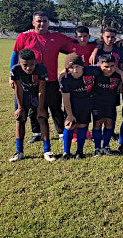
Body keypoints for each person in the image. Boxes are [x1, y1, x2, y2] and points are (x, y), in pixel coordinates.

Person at [10, 11, 74, 142]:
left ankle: (61, 133)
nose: (42, 24)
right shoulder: (24, 36)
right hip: (29, 80)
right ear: (33, 23)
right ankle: (36, 133)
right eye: (38, 21)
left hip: (50, 79)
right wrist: (11, 76)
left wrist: (94, 41)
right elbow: (15, 56)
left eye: (44, 21)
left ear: (48, 23)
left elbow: (77, 43)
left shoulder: (57, 37)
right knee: (33, 107)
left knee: (55, 106)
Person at [9, 49, 56, 162]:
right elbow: (18, 89)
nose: (28, 68)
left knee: (42, 118)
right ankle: (19, 151)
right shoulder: (15, 69)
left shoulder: (41, 69)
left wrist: (40, 108)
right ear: (20, 63)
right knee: (20, 119)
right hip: (23, 95)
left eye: (31, 64)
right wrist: (20, 108)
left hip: (36, 94)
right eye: (25, 65)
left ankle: (47, 150)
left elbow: (41, 89)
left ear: (35, 61)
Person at [59, 53, 101, 160]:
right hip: (72, 105)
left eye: (77, 66)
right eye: (71, 67)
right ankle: (66, 152)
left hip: (86, 103)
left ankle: (79, 151)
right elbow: (66, 99)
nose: (74, 69)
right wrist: (69, 115)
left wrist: (120, 72)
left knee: (82, 126)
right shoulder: (65, 79)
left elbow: (104, 67)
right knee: (69, 125)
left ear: (82, 66)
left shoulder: (90, 71)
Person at [91, 54, 123, 156]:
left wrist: (120, 72)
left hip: (111, 103)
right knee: (97, 125)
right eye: (106, 67)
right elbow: (77, 68)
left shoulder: (117, 74)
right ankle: (97, 148)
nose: (109, 69)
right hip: (97, 104)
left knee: (109, 124)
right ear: (99, 66)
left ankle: (106, 146)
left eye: (112, 66)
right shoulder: (95, 72)